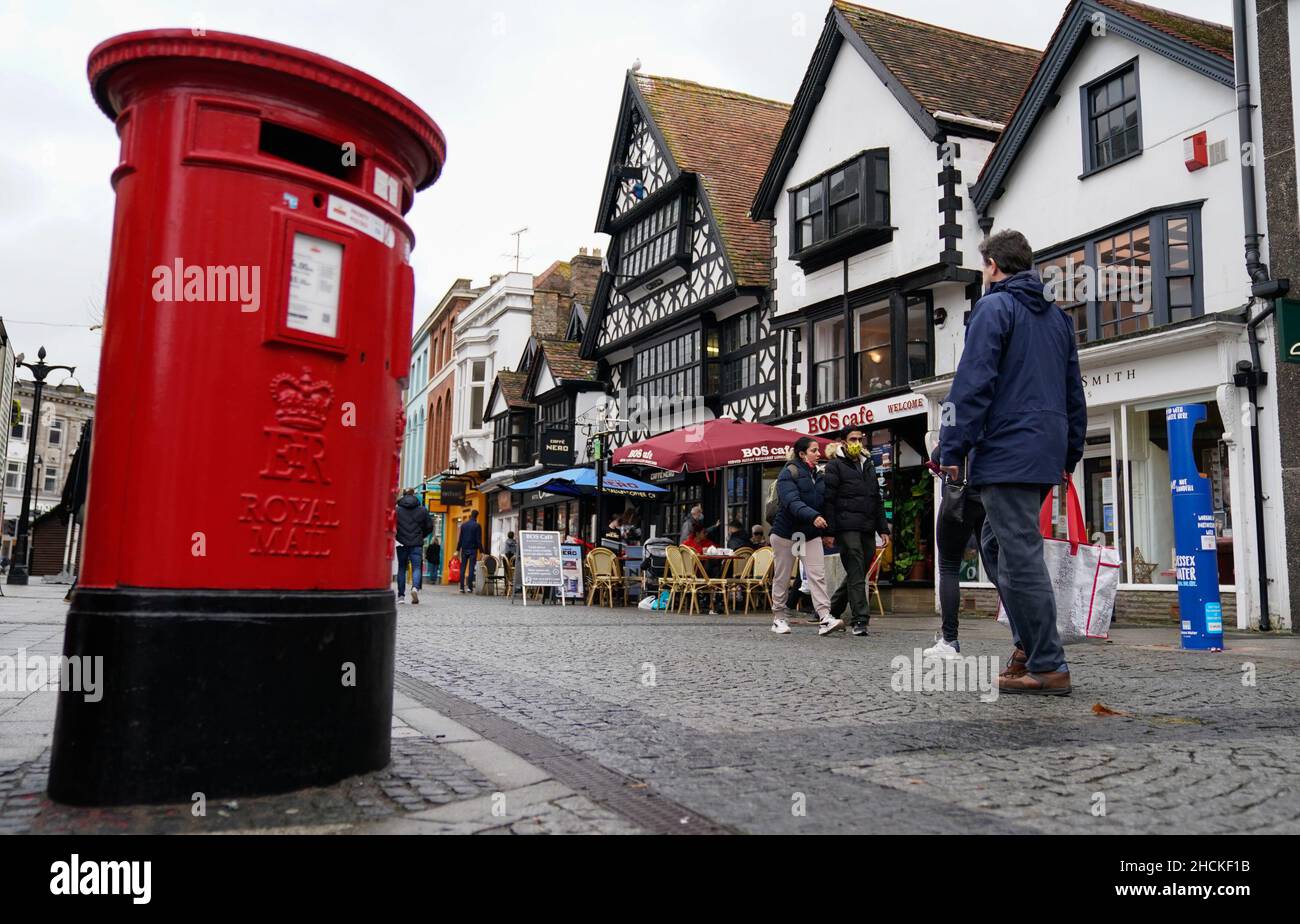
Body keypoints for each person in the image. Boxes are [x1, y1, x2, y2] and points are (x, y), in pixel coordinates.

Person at [939, 229, 1087, 695]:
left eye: (983, 265)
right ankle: (1028, 646)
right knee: (998, 545)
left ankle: (1048, 663)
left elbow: (972, 383)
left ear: (994, 266)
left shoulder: (994, 307)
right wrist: (1069, 453)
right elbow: (1073, 392)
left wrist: (951, 447)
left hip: (1007, 450)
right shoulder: (1058, 320)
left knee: (1019, 552)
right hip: (1042, 451)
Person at [769, 437, 843, 637]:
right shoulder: (788, 473)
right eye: (814, 450)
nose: (819, 453)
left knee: (817, 575)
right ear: (802, 454)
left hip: (809, 534)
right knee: (783, 577)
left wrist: (827, 532)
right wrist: (814, 517)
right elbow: (791, 501)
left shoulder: (818, 475)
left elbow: (826, 504)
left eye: (818, 450)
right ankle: (778, 618)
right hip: (786, 534)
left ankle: (825, 617)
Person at [823, 429, 890, 637]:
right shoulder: (834, 465)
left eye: (860, 439)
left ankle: (832, 610)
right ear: (842, 442)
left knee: (858, 571)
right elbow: (829, 500)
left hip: (868, 526)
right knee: (855, 565)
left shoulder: (868, 464)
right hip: (846, 526)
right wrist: (830, 531)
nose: (857, 443)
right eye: (853, 439)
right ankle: (860, 619)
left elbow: (876, 499)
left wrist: (883, 528)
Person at [922, 448, 986, 661]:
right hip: (990, 492)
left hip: (961, 493)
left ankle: (950, 640)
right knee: (998, 568)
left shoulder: (961, 415)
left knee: (948, 566)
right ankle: (1024, 641)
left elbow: (944, 452)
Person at [395, 488, 432, 604]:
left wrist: (398, 536)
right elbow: (430, 526)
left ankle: (401, 596)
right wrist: (421, 535)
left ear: (404, 495)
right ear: (414, 495)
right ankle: (415, 587)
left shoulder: (397, 510)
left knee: (402, 568)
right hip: (416, 543)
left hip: (401, 543)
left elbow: (392, 525)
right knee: (416, 567)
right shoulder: (422, 510)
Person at [456, 510, 484, 594]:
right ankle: (469, 587)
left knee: (463, 568)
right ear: (476, 516)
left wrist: (457, 550)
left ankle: (461, 587)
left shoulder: (464, 525)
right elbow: (478, 540)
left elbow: (460, 539)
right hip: (473, 550)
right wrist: (481, 551)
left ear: (470, 515)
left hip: (464, 549)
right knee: (471, 568)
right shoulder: (477, 526)